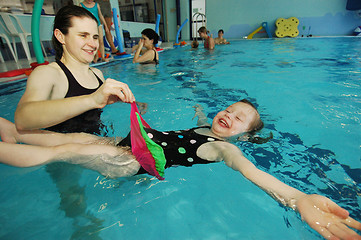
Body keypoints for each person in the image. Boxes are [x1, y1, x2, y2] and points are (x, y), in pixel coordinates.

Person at [1, 99, 361, 240]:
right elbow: (205, 120)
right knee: (75, 136)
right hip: (128, 144)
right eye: (230, 110)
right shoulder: (207, 128)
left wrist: (297, 198)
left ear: (243, 136)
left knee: (65, 150)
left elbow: (251, 172)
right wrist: (198, 113)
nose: (229, 117)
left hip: (131, 162)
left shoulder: (223, 149)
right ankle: (11, 131)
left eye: (238, 120)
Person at [14, 5, 135, 134]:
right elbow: (22, 119)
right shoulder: (48, 73)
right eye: (83, 35)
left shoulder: (97, 74)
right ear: (60, 36)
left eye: (95, 37)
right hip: (65, 150)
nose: (93, 44)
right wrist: (92, 100)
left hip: (98, 143)